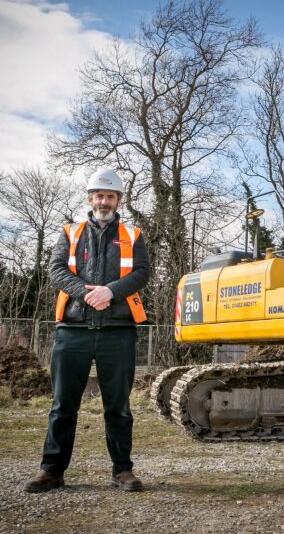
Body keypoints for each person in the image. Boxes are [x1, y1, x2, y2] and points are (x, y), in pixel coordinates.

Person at [24, 168, 150, 493]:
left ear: (119, 200)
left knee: (118, 407)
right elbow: (55, 269)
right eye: (99, 195)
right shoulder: (70, 232)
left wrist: (111, 291)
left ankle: (122, 470)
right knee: (63, 405)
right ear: (90, 198)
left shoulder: (134, 235)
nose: (104, 201)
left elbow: (142, 272)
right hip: (73, 328)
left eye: (110, 196)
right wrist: (85, 292)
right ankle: (51, 470)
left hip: (117, 330)